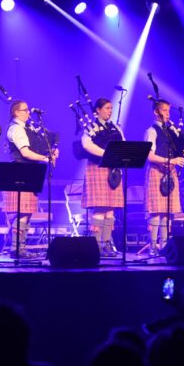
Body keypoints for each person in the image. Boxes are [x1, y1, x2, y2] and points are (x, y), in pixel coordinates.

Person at [3, 100, 57, 258]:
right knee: (23, 212)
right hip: (21, 170)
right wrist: (45, 158)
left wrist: (53, 148)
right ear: (16, 113)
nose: (29, 113)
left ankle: (20, 248)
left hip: (29, 170)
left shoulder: (28, 128)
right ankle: (16, 249)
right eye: (25, 110)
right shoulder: (17, 129)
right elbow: (25, 153)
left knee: (27, 213)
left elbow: (45, 140)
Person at [144, 99, 184, 256]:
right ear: (155, 112)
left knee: (166, 212)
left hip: (170, 173)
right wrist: (169, 160)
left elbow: (178, 150)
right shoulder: (151, 131)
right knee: (156, 212)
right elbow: (149, 155)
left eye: (168, 110)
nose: (168, 113)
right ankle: (152, 246)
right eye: (164, 110)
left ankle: (164, 247)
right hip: (157, 172)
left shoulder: (171, 132)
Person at [80, 98, 125, 257]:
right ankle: (96, 246)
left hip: (113, 170)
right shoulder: (91, 127)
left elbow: (123, 144)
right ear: (97, 110)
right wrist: (106, 153)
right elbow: (86, 144)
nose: (110, 111)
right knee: (100, 208)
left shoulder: (116, 128)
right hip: (97, 168)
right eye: (107, 108)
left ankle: (106, 245)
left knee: (110, 210)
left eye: (111, 108)